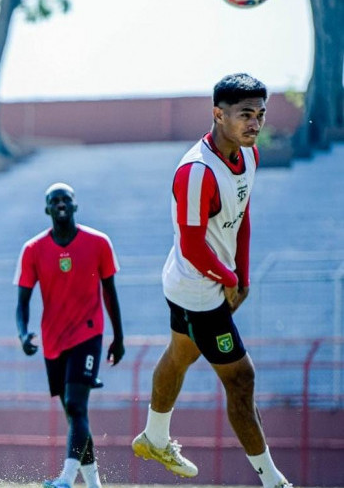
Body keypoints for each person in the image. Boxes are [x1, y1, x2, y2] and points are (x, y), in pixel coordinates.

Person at [130, 73, 291, 488]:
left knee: (181, 354)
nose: (254, 124)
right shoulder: (196, 171)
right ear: (218, 114)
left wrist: (244, 273)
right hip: (198, 287)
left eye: (260, 115)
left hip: (202, 280)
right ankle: (274, 482)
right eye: (244, 115)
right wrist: (228, 277)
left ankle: (155, 436)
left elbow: (242, 216)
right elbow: (192, 244)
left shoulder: (248, 155)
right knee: (241, 380)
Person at [14, 182, 125, 488]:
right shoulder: (33, 249)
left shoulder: (99, 242)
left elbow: (110, 293)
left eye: (66, 199)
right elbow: (22, 302)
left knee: (77, 406)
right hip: (53, 341)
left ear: (75, 206)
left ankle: (66, 478)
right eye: (54, 200)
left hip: (89, 334)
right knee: (73, 413)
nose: (61, 204)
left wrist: (119, 337)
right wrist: (24, 335)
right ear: (47, 209)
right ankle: (94, 485)